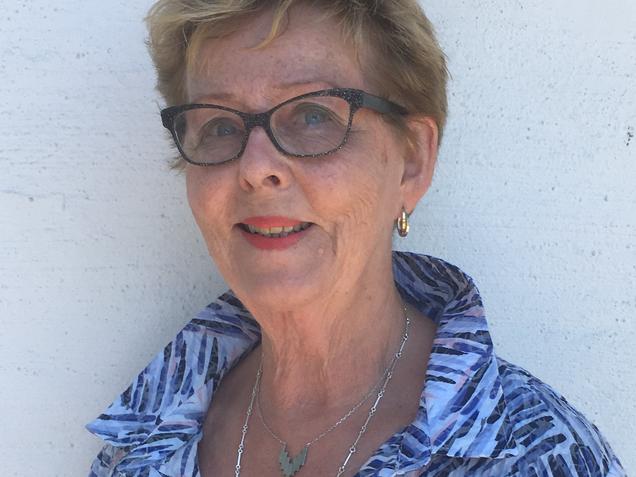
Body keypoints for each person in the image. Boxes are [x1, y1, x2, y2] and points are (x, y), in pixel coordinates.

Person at [86, 1, 625, 476]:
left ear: (411, 161)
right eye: (220, 126)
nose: (254, 168)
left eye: (312, 116)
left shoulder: (536, 456)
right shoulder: (145, 443)